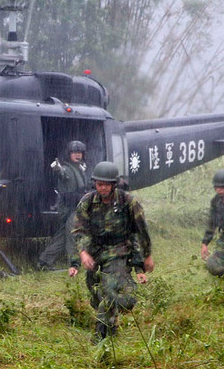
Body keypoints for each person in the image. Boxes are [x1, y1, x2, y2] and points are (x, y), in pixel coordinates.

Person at [69, 161, 154, 343]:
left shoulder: (128, 202)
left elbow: (142, 230)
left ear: (114, 184)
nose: (103, 188)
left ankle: (100, 338)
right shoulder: (88, 202)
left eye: (107, 184)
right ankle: (111, 326)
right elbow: (78, 230)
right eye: (99, 184)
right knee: (96, 294)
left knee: (112, 293)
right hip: (95, 253)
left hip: (119, 252)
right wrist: (82, 253)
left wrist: (146, 256)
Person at [38, 140, 89, 270]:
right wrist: (57, 168)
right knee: (72, 234)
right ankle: (74, 264)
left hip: (75, 207)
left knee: (61, 237)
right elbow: (61, 173)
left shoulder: (79, 168)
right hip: (69, 208)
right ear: (69, 154)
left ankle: (44, 262)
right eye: (74, 152)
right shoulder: (66, 169)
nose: (78, 155)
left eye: (80, 152)